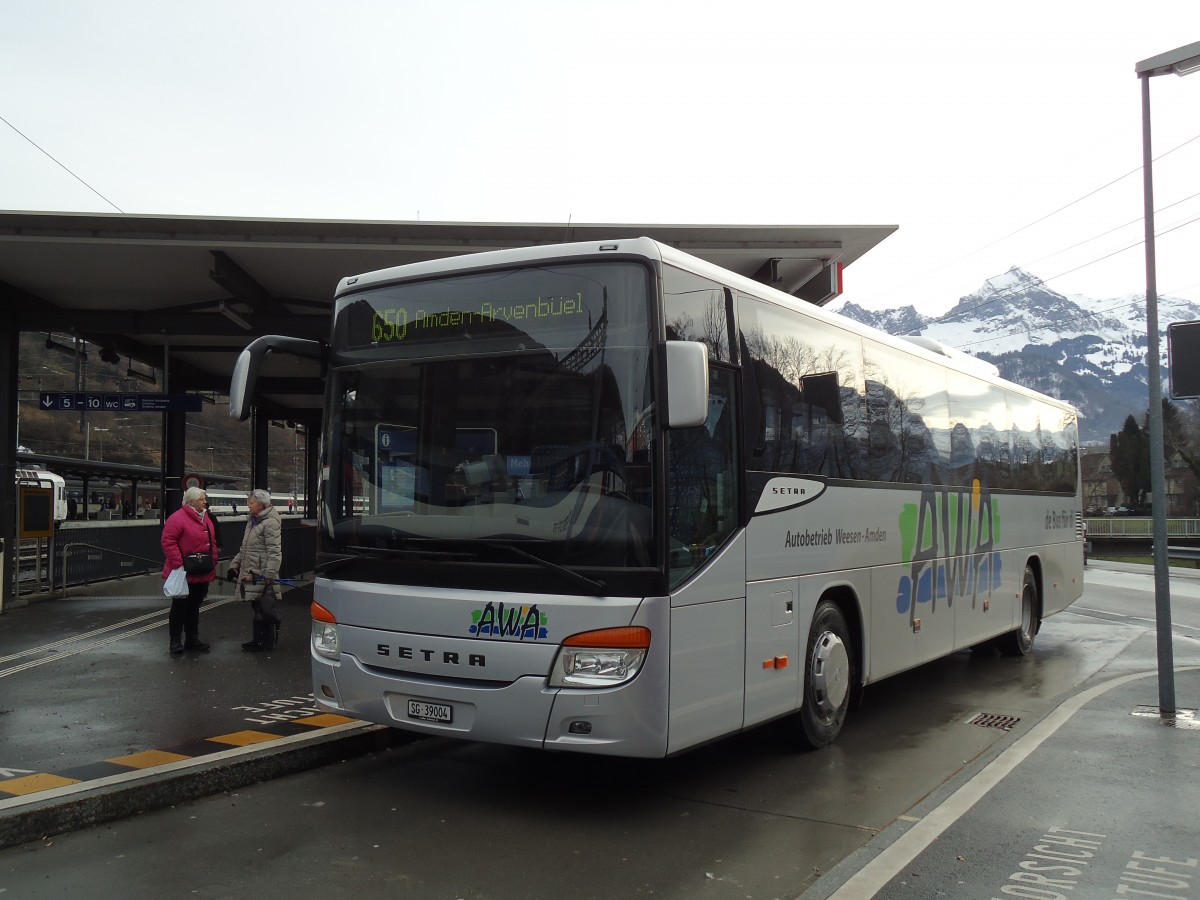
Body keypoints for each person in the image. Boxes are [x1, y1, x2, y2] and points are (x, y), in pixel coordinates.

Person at [160, 486, 219, 655]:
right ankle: (175, 641)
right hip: (184, 571)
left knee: (194, 606)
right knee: (180, 606)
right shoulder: (177, 518)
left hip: (201, 569)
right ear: (192, 501)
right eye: (202, 499)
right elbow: (168, 541)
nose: (205, 502)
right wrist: (179, 562)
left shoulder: (206, 518)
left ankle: (192, 639)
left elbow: (212, 542)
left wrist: (213, 558)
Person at [227, 488, 283, 652]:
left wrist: (269, 575)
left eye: (251, 503)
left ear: (261, 504)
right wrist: (234, 566)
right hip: (251, 572)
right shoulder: (253, 521)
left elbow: (275, 552)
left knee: (263, 607)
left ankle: (265, 642)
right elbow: (244, 549)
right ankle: (258, 640)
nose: (248, 506)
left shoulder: (270, 523)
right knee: (258, 607)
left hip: (260, 574)